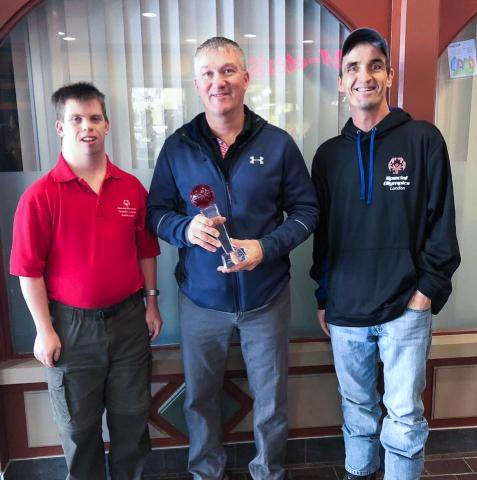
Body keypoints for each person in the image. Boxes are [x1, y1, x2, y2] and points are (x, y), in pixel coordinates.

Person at [147, 37, 318, 480]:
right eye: (207, 73)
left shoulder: (278, 143)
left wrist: (266, 247)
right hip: (201, 300)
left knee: (270, 397)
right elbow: (155, 213)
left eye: (227, 71)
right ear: (196, 84)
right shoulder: (177, 147)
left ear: (246, 77)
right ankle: (207, 474)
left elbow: (307, 210)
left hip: (266, 298)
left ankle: (269, 473)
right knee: (200, 398)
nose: (217, 81)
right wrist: (185, 229)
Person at [310, 28, 461, 480]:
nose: (364, 76)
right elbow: (323, 237)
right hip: (345, 312)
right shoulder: (328, 156)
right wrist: (324, 296)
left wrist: (425, 295)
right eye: (352, 68)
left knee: (404, 419)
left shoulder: (423, 140)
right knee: (357, 413)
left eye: (375, 65)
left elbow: (442, 224)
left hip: (405, 311)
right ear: (341, 82)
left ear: (390, 75)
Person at [10, 82, 162, 480]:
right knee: (79, 430)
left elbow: (146, 250)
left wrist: (151, 303)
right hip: (70, 328)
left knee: (132, 422)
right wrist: (44, 330)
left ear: (107, 125)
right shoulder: (40, 197)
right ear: (60, 127)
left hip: (129, 322)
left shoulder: (130, 188)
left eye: (94, 117)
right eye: (76, 119)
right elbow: (29, 271)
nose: (87, 126)